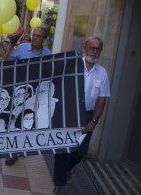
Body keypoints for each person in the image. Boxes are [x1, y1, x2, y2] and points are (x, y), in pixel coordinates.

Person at [53, 37, 110, 194]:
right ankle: (59, 183)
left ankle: (68, 169)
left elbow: (102, 99)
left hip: (86, 115)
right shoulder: (72, 65)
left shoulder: (102, 73)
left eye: (98, 49)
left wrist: (94, 120)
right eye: (92, 47)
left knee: (79, 152)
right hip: (67, 112)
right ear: (86, 47)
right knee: (62, 150)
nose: (94, 51)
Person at [6, 27, 52, 165]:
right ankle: (13, 152)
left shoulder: (48, 54)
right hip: (18, 92)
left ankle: (21, 147)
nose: (35, 38)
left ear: (44, 39)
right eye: (34, 35)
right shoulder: (21, 48)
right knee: (15, 119)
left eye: (39, 36)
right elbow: (9, 63)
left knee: (27, 122)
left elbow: (49, 73)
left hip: (35, 95)